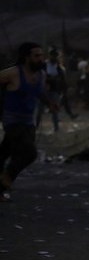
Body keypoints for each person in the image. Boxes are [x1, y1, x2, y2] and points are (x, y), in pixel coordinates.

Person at [0, 42, 58, 201]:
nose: (41, 59)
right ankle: (7, 176)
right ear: (27, 57)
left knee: (5, 152)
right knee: (29, 153)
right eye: (37, 56)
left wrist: (49, 104)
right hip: (12, 121)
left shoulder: (41, 75)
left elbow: (39, 92)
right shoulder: (13, 73)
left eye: (41, 55)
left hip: (28, 122)